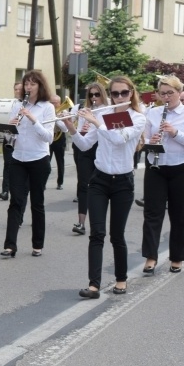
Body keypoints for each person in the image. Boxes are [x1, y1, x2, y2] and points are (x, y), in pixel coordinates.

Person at [64, 76, 146, 298]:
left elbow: (120, 139)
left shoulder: (138, 118)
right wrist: (70, 126)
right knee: (96, 234)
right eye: (115, 93)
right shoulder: (102, 114)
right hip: (99, 179)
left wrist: (97, 122)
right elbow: (85, 144)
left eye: (123, 93)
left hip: (122, 182)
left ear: (131, 94)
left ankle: (121, 279)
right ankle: (93, 285)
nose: (119, 97)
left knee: (116, 235)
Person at [141, 75, 184, 274]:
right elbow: (143, 139)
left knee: (178, 213)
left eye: (170, 93)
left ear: (179, 92)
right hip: (156, 166)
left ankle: (177, 257)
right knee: (152, 213)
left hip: (181, 167)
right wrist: (150, 140)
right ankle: (151, 256)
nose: (166, 97)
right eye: (163, 93)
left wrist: (175, 133)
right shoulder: (153, 112)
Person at [0, 71, 54, 258]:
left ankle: (37, 244)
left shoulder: (47, 108)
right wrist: (10, 127)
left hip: (39, 159)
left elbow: (48, 137)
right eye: (26, 84)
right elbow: (10, 136)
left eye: (32, 84)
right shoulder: (17, 105)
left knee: (37, 202)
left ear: (40, 86)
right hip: (18, 158)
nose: (28, 87)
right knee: (16, 201)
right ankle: (10, 245)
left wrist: (33, 119)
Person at [70, 83, 110, 235]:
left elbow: (109, 132)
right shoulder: (83, 110)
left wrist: (94, 122)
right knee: (83, 184)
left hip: (101, 149)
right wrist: (74, 126)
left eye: (97, 94)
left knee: (98, 186)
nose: (94, 98)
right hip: (85, 148)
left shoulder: (108, 111)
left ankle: (97, 222)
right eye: (91, 95)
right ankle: (81, 223)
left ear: (102, 95)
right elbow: (77, 132)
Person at [0, 82, 24, 201]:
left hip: (21, 140)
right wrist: (10, 125)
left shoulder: (28, 105)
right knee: (7, 164)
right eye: (15, 89)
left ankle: (17, 190)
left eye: (20, 89)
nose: (17, 91)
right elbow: (10, 122)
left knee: (18, 167)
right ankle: (5, 191)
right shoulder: (14, 105)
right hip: (10, 137)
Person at [48, 94, 67, 190]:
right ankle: (43, 182)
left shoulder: (64, 112)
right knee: (46, 162)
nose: (52, 104)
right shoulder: (48, 111)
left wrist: (56, 119)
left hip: (59, 138)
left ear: (59, 103)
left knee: (60, 161)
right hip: (50, 138)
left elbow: (65, 128)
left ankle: (60, 182)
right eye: (51, 102)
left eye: (54, 103)